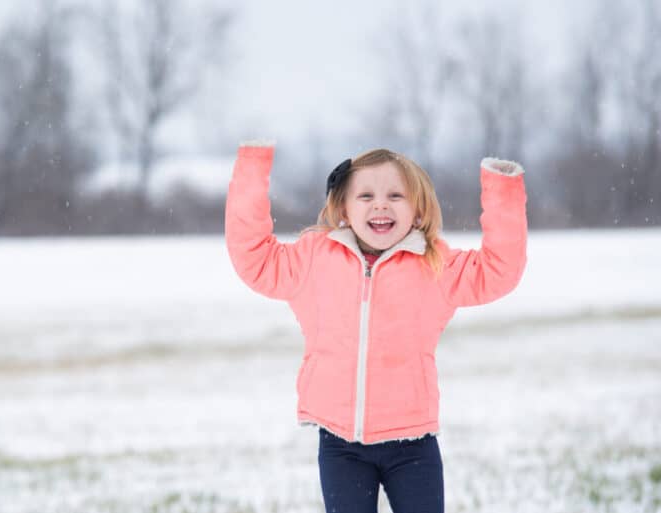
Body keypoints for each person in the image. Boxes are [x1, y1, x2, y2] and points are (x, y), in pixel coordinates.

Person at [224, 142, 527, 513]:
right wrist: (252, 169)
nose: (380, 205)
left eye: (395, 196)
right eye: (365, 195)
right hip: (340, 444)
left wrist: (503, 189)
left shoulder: (435, 265)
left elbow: (500, 270)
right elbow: (253, 255)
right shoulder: (314, 259)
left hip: (413, 443)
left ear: (418, 211)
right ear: (344, 210)